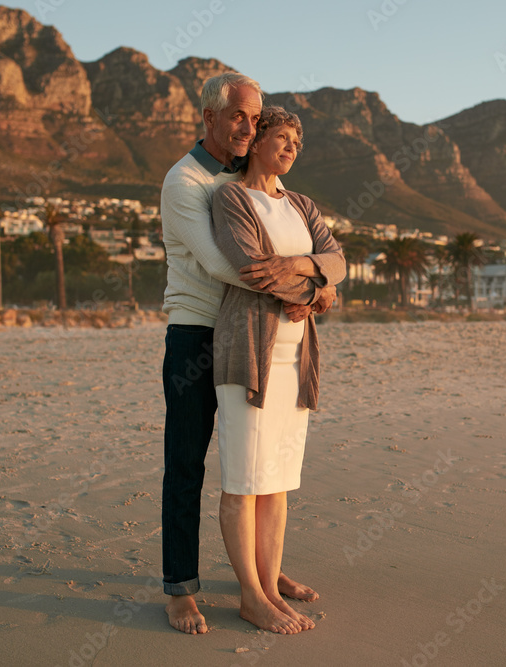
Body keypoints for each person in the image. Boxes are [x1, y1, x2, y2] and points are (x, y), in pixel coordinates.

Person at [160, 74, 333, 635]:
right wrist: (314, 290)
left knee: (266, 466)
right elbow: (228, 266)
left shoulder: (248, 180)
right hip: (197, 333)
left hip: (256, 332)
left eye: (255, 117)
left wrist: (320, 281)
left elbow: (309, 245)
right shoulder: (187, 181)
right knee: (188, 465)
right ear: (208, 116)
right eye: (238, 115)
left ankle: (265, 573)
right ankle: (181, 590)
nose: (248, 126)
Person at [210, 106, 346, 634]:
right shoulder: (231, 198)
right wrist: (318, 293)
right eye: (282, 137)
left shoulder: (302, 204)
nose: (291, 148)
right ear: (257, 139)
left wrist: (304, 271)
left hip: (297, 359)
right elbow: (250, 268)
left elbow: (337, 259)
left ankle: (269, 585)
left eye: (297, 142)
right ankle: (250, 595)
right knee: (244, 479)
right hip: (247, 352)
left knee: (277, 483)